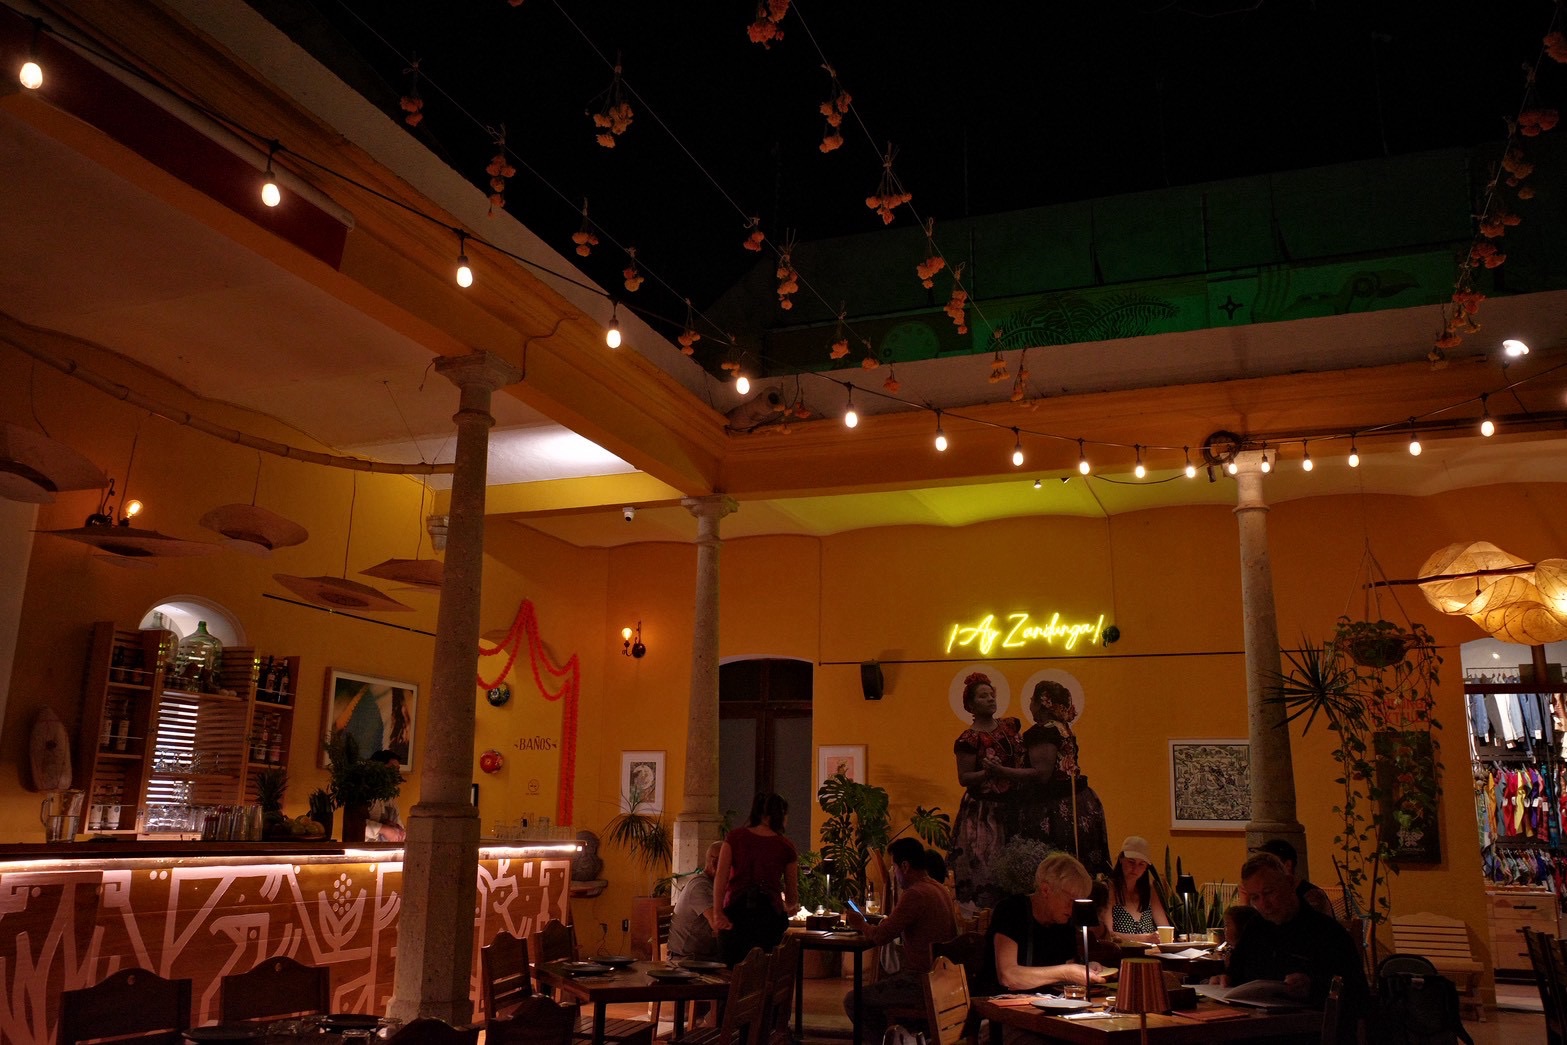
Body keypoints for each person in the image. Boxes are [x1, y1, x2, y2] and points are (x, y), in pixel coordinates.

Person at [842, 838, 959, 1042]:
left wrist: (860, 923)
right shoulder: (940, 889)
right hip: (944, 979)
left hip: (921, 983)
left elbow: (880, 936)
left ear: (905, 866)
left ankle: (890, 1041)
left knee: (853, 1000)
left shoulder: (915, 894)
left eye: (894, 867)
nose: (894, 874)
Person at [1225, 852, 1367, 1009]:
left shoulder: (1327, 932)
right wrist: (1224, 979)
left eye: (1269, 892)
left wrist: (1313, 987)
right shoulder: (1255, 927)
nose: (1264, 904)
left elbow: (1358, 994)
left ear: (1290, 883)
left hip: (1306, 1020)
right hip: (1253, 1019)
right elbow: (1235, 971)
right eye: (1255, 898)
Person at [1013, 680, 1112, 876]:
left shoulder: (1043, 732)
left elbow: (1042, 774)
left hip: (1054, 809)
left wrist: (999, 770)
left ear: (1042, 703)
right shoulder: (1063, 728)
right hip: (1080, 803)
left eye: (1032, 700)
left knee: (1055, 869)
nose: (1030, 705)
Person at [949, 671, 1027, 908]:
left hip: (1015, 805)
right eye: (983, 696)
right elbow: (964, 778)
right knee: (986, 868)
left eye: (991, 694)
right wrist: (987, 773)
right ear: (971, 705)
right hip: (984, 811)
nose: (990, 699)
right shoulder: (968, 739)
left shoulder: (1010, 726)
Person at [987, 852, 1107, 994]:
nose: (1073, 908)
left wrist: (1085, 969)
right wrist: (1066, 972)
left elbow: (1067, 966)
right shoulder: (1012, 910)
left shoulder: (1064, 921)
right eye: (1070, 900)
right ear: (1046, 890)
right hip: (1000, 1002)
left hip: (1048, 1003)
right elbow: (1008, 976)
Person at [712, 791, 798, 965]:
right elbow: (792, 895)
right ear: (778, 815)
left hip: (735, 915)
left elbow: (721, 878)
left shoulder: (734, 838)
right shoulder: (786, 847)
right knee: (763, 970)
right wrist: (790, 906)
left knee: (730, 971)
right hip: (769, 919)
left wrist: (718, 912)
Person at [1101, 835, 1170, 942]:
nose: (1135, 868)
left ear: (1146, 867)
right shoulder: (1109, 888)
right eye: (1131, 862)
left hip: (1150, 951)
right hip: (1121, 951)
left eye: (1141, 864)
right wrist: (1144, 938)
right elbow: (1107, 934)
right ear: (1121, 859)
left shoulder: (1149, 890)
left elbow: (1165, 929)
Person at [1254, 838, 1335, 918]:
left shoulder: (1311, 895)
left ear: (1287, 865)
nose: (1261, 871)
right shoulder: (1268, 896)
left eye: (1268, 865)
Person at [670, 841, 723, 961]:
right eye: (729, 865)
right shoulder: (700, 886)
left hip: (703, 956)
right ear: (714, 864)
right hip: (687, 960)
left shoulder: (712, 884)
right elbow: (717, 925)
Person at [364, 749, 405, 842]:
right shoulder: (363, 793)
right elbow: (356, 824)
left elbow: (398, 825)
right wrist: (384, 829)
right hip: (361, 847)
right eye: (392, 769)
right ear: (377, 769)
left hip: (384, 849)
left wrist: (398, 828)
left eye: (397, 770)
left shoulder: (390, 797)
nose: (397, 774)